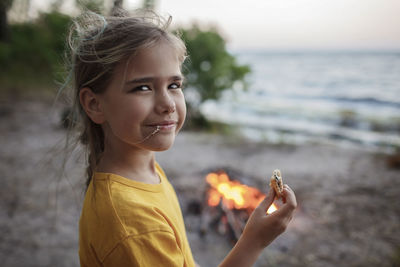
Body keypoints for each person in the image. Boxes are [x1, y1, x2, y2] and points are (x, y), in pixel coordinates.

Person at [66, 9, 297, 267]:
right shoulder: (131, 219)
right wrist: (254, 241)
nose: (167, 104)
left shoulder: (147, 173)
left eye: (174, 85)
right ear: (95, 104)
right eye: (143, 87)